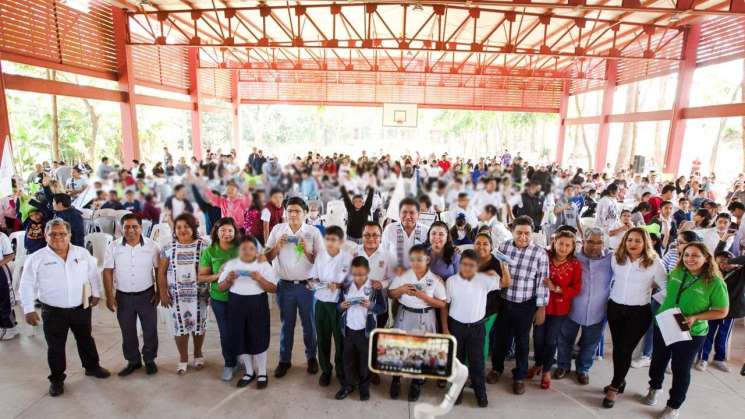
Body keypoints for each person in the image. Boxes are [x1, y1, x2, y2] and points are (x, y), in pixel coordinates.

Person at [19, 219, 111, 397]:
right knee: (55, 346)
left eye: (62, 233)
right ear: (46, 236)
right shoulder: (36, 258)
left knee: (85, 339)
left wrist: (97, 293)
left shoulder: (82, 253)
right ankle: (57, 379)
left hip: (81, 305)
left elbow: (93, 274)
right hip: (53, 310)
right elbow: (26, 284)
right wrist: (28, 308)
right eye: (53, 234)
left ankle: (92, 367)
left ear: (69, 235)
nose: (58, 237)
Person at [641, 242, 729, 419]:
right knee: (658, 361)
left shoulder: (715, 282)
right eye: (686, 254)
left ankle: (673, 406)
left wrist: (696, 317)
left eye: (695, 255)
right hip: (664, 324)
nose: (690, 259)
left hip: (691, 332)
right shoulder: (677, 271)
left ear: (706, 258)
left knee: (680, 368)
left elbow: (722, 311)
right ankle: (654, 388)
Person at [602, 227, 667, 408]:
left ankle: (614, 387)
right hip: (615, 308)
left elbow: (667, 287)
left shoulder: (654, 262)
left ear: (645, 242)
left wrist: (651, 297)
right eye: (630, 240)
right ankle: (619, 380)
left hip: (639, 313)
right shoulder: (616, 257)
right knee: (618, 349)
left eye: (638, 241)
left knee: (625, 349)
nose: (633, 244)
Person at [488, 216, 549, 395]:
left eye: (527, 233)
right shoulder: (504, 247)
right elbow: (494, 271)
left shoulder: (539, 253)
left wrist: (541, 308)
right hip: (504, 303)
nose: (523, 237)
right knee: (501, 340)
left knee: (523, 343)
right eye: (519, 233)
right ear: (512, 231)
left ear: (532, 233)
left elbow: (542, 283)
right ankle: (497, 369)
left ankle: (519, 376)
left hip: (526, 304)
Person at [265, 196, 324, 378]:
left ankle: (311, 357)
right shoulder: (277, 230)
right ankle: (284, 360)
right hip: (285, 286)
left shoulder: (313, 232)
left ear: (305, 213)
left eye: (297, 211)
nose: (293, 214)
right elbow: (266, 257)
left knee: (309, 324)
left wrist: (306, 250)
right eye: (289, 210)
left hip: (307, 286)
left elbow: (321, 262)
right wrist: (276, 247)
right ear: (285, 213)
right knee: (286, 325)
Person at [102, 213, 160, 376]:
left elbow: (158, 270)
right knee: (127, 330)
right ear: (121, 228)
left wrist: (159, 291)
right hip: (123, 296)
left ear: (141, 228)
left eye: (135, 226)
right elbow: (107, 271)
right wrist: (109, 295)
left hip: (146, 295)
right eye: (127, 226)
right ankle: (133, 361)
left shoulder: (152, 246)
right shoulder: (113, 246)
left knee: (150, 329)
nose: (131, 230)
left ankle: (149, 359)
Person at [217, 236, 278, 389]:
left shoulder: (263, 265)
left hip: (257, 304)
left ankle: (262, 372)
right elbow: (220, 287)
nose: (247, 251)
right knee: (240, 338)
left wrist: (259, 279)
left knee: (259, 337)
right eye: (243, 248)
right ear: (238, 250)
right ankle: (249, 372)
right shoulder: (231, 265)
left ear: (256, 250)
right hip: (236, 304)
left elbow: (273, 288)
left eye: (251, 248)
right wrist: (228, 280)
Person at [388, 244, 447, 401]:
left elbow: (442, 303)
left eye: (419, 259)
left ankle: (417, 382)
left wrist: (424, 297)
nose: (416, 262)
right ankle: (396, 379)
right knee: (399, 348)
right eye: (412, 259)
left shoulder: (434, 279)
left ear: (427, 259)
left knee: (422, 351)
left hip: (425, 316)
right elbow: (390, 293)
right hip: (405, 314)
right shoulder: (403, 275)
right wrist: (401, 290)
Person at [555, 227, 613, 385]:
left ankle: (583, 369)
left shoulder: (611, 258)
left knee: (590, 343)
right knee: (565, 339)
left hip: (598, 310)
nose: (595, 246)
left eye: (599, 242)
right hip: (572, 309)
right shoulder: (573, 257)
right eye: (590, 242)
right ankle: (563, 365)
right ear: (583, 240)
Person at [444, 249, 500, 407]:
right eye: (464, 264)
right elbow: (445, 305)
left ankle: (480, 392)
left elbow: (505, 283)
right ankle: (457, 392)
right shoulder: (452, 281)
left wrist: (504, 267)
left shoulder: (484, 280)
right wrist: (445, 327)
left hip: (477, 327)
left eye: (471, 265)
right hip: (456, 327)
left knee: (477, 362)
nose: (467, 268)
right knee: (457, 361)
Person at [529, 230, 582, 389]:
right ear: (554, 243)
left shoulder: (575, 264)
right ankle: (538, 364)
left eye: (568, 245)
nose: (563, 248)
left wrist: (556, 288)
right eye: (561, 243)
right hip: (540, 306)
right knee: (538, 338)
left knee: (551, 340)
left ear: (573, 247)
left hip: (559, 309)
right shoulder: (544, 256)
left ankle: (546, 371)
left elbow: (576, 289)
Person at [157, 213, 209, 375]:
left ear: (193, 228)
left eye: (186, 226)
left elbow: (211, 270)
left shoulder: (204, 246)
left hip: (199, 295)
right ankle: (183, 357)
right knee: (180, 327)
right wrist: (163, 293)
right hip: (177, 297)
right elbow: (161, 273)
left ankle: (198, 352)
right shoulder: (168, 248)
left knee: (199, 325)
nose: (182, 230)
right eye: (179, 227)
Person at [334, 256, 387, 401]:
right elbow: (338, 307)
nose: (358, 277)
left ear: (368, 271)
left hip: (366, 332)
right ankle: (348, 385)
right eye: (355, 274)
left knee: (365, 362)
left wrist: (370, 306)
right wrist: (342, 306)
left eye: (362, 274)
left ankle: (364, 388)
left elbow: (382, 309)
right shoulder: (346, 286)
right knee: (348, 360)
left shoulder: (375, 288)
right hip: (348, 330)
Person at [310, 225, 353, 388]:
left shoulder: (347, 258)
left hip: (338, 304)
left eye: (334, 240)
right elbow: (313, 279)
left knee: (340, 339)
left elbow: (353, 282)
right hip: (321, 302)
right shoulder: (320, 255)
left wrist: (339, 286)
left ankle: (341, 371)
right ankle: (326, 370)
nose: (330, 243)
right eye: (327, 239)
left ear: (341, 242)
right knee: (322, 338)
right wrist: (317, 284)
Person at [198, 217, 240, 380]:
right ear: (216, 232)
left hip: (241, 298)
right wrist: (220, 275)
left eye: (230, 230)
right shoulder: (210, 251)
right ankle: (229, 363)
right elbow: (202, 277)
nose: (227, 233)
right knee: (226, 333)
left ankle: (241, 359)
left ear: (235, 232)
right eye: (223, 230)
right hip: (219, 298)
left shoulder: (241, 249)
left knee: (241, 330)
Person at [695, 250, 745, 372]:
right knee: (708, 334)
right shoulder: (713, 273)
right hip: (712, 309)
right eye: (720, 261)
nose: (724, 264)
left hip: (731, 311)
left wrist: (731, 262)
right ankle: (703, 358)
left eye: (726, 261)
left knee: (723, 335)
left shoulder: (740, 273)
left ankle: (719, 359)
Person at [473, 233, 511, 364]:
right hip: (472, 307)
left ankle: (479, 368)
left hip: (489, 309)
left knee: (482, 338)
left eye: (485, 244)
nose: (481, 246)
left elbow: (506, 283)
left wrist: (504, 268)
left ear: (491, 247)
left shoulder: (497, 262)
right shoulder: (470, 260)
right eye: (478, 243)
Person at [381, 197, 429, 268]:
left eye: (412, 213)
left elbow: (430, 255)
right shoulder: (390, 229)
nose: (408, 216)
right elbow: (383, 254)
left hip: (418, 275)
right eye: (404, 212)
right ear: (399, 214)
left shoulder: (426, 231)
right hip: (395, 275)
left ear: (418, 214)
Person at [0, 231, 16, 341]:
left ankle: (10, 327)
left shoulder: (1, 236)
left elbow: (10, 255)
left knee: (5, 300)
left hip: (1, 271)